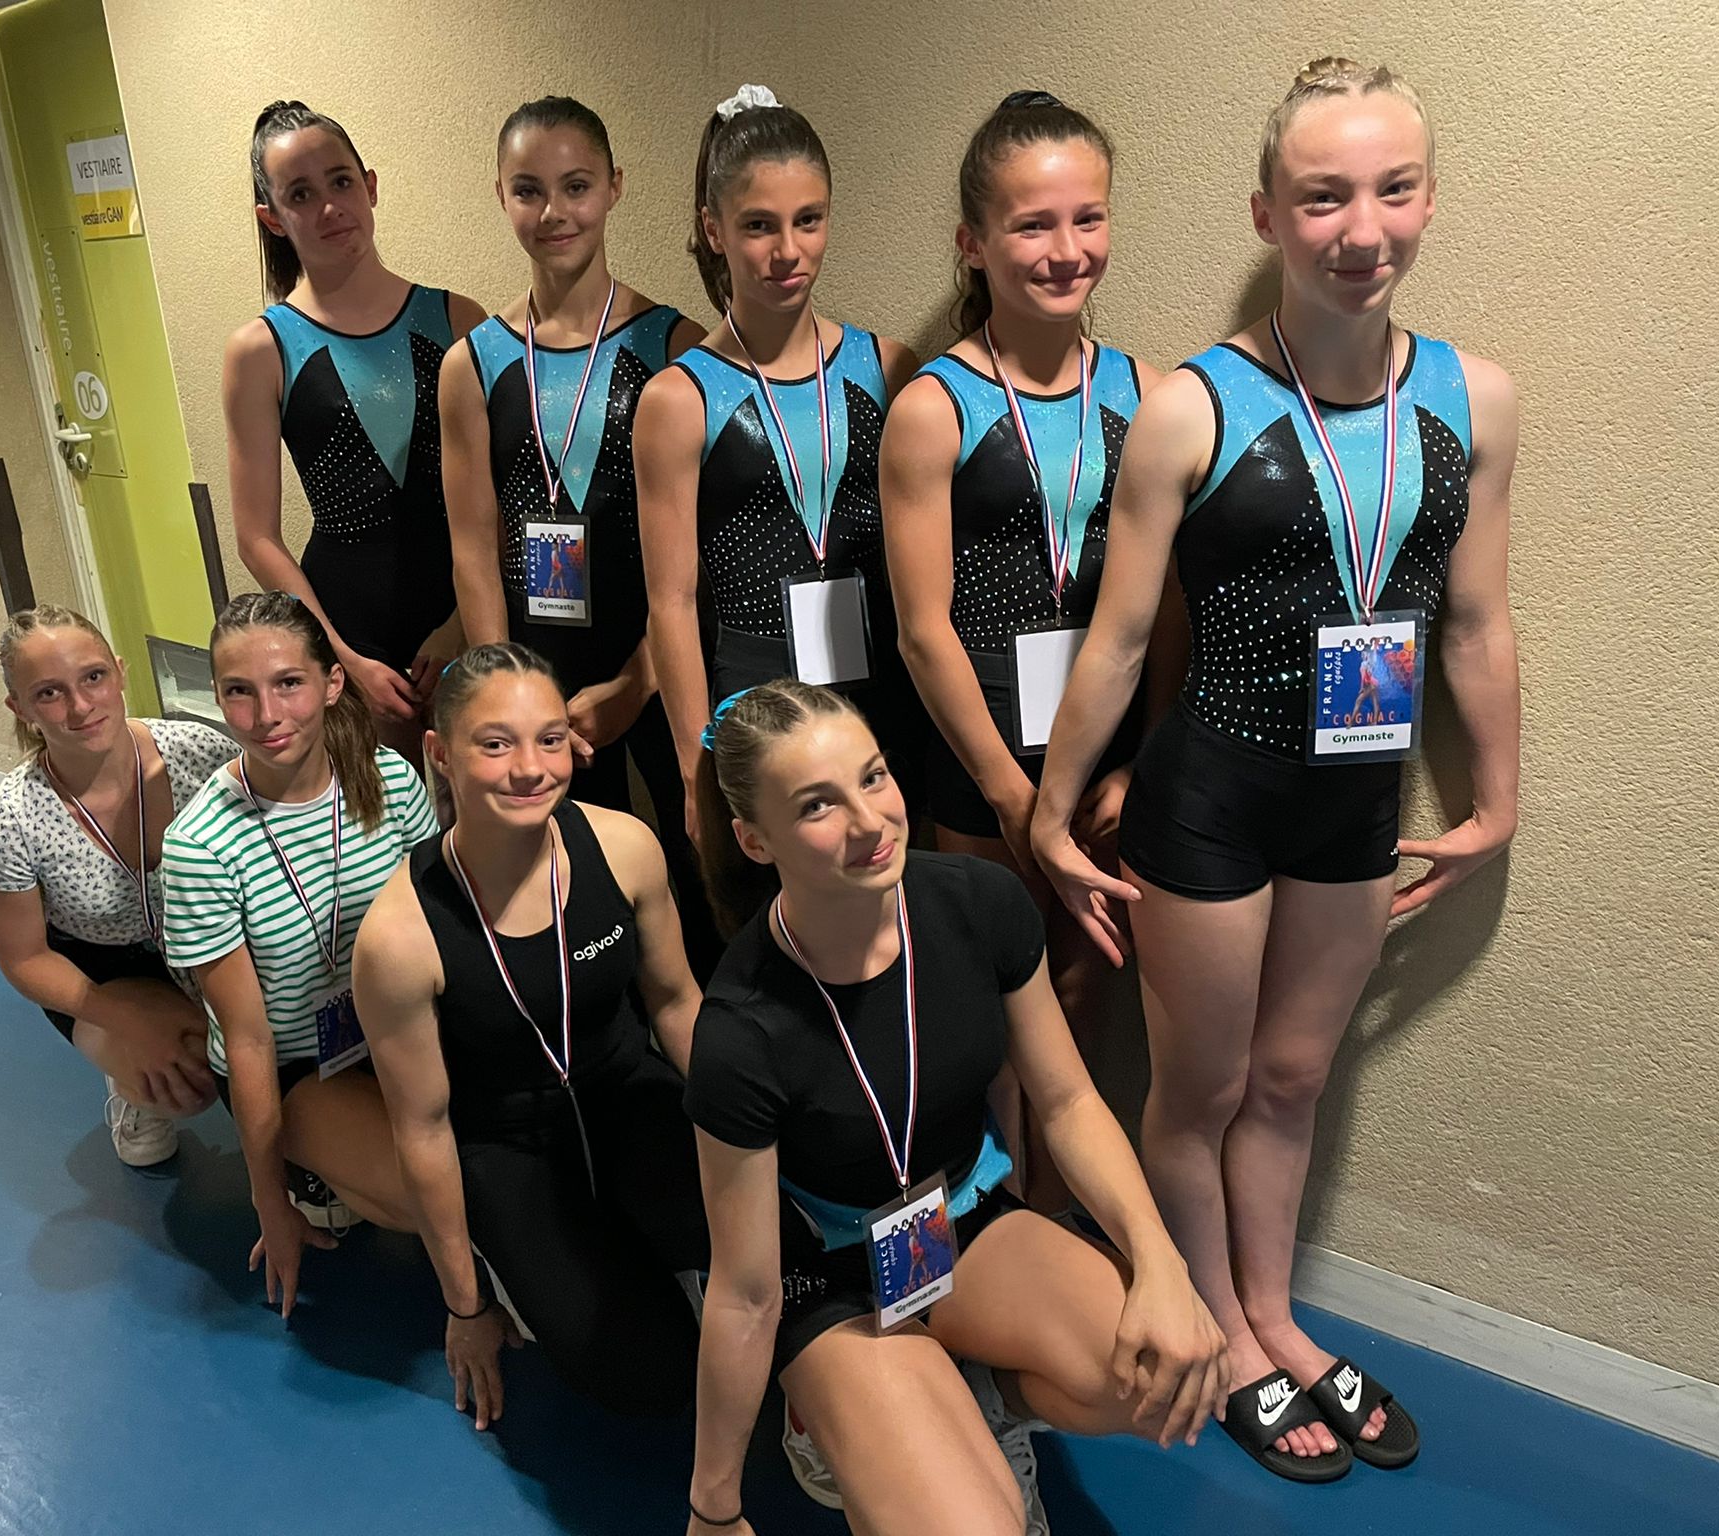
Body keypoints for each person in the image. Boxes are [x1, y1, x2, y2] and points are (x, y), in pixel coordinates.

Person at [1031, 58, 1520, 1481]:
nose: (1361, 229)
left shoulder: (1476, 400)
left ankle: (1272, 1313)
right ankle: (1218, 1330)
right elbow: (1121, 639)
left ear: (1427, 197)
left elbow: (1474, 621)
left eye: (1392, 190)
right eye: (1322, 198)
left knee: (1294, 1080)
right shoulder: (1194, 405)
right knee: (1200, 1089)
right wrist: (1050, 811)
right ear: (1266, 213)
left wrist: (1497, 799)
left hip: (1357, 799)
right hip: (1211, 799)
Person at [683, 681, 1229, 1536]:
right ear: (756, 839)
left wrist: (1161, 1262)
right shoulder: (740, 1030)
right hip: (831, 1278)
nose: (869, 821)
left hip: (954, 1223)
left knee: (1169, 1373)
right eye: (818, 805)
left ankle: (977, 1399)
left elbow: (1067, 1100)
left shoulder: (978, 903)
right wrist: (713, 1508)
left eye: (873, 777)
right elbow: (745, 1296)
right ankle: (828, 1418)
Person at [880, 90, 1165, 1211]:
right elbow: (922, 629)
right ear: (973, 240)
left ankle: (1051, 1223)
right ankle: (989, 1240)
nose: (1065, 250)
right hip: (982, 769)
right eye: (1032, 224)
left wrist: (1134, 763)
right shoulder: (934, 406)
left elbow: (1165, 616)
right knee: (988, 1017)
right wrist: (1009, 796)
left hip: (1103, 762)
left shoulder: (1146, 396)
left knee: (1082, 1007)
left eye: (1086, 218)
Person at [352, 643, 708, 1426]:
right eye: (495, 743)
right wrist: (467, 1305)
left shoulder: (624, 847)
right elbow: (423, 1129)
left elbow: (677, 1002)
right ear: (440, 755)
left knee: (769, 1247)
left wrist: (749, 1139)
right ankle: (524, 1266)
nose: (530, 769)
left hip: (628, 1091)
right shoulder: (399, 939)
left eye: (550, 739)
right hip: (509, 1143)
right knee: (653, 1381)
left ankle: (657, 1241)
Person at [441, 94, 720, 973]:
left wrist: (639, 681)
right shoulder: (473, 363)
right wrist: (508, 696)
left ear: (614, 187)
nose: (554, 211)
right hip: (536, 668)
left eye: (576, 186)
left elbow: (697, 555)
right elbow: (473, 548)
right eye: (529, 190)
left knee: (692, 864)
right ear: (500, 194)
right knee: (565, 879)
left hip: (654, 661)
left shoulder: (674, 345)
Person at [636, 86, 922, 845]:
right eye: (759, 225)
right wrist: (695, 767)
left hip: (880, 685)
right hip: (754, 695)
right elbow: (671, 601)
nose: (788, 251)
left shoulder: (888, 368)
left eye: (809, 220)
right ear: (714, 229)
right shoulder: (679, 398)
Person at [161, 592, 443, 1317]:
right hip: (293, 1060)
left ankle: (346, 1166)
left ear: (332, 683)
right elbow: (249, 1039)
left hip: (393, 1028)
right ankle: (304, 1170)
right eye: (239, 692)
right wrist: (269, 1205)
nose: (266, 715)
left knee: (495, 1157)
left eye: (288, 683)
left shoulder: (390, 780)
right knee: (427, 1192)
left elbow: (437, 930)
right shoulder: (199, 847)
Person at [224, 101, 487, 743]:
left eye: (340, 182)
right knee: (377, 805)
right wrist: (338, 657)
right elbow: (256, 537)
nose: (329, 207)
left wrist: (463, 624)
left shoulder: (458, 320)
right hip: (348, 634)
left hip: (465, 616)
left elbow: (500, 494)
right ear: (272, 217)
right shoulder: (261, 350)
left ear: (369, 186)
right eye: (300, 194)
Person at [0, 605, 224, 1166]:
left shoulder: (202, 754)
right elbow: (24, 959)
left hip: (211, 940)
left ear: (120, 671)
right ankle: (130, 1086)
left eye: (93, 677)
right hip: (105, 969)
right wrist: (129, 1020)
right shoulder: (5, 826)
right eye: (49, 693)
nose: (81, 706)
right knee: (190, 1075)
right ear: (20, 708)